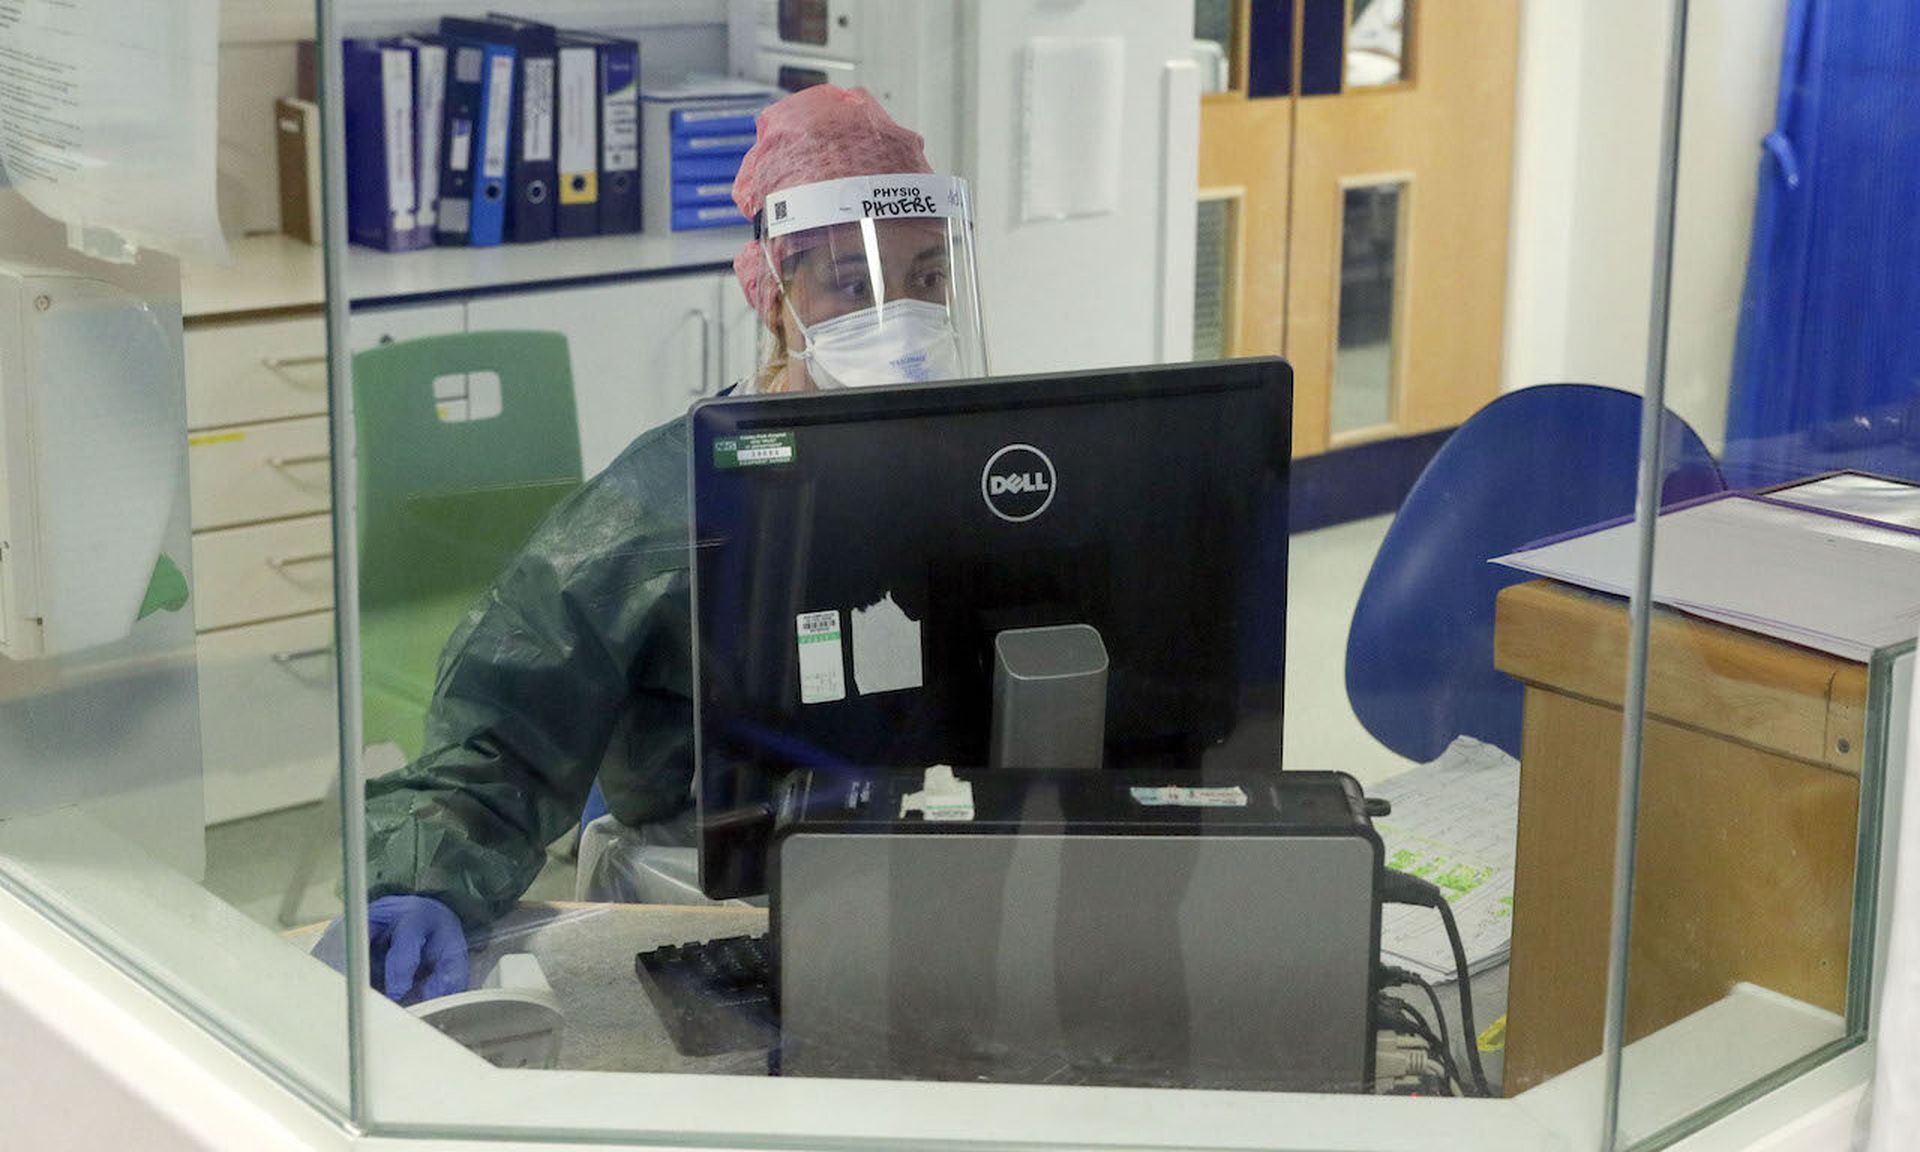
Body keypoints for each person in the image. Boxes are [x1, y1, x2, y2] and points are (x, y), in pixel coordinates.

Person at [345, 85, 990, 1004]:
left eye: (927, 275)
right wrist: (418, 880)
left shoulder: (991, 474)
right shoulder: (668, 504)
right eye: (855, 283)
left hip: (924, 887)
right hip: (702, 912)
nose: (907, 314)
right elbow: (506, 734)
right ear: (779, 299)